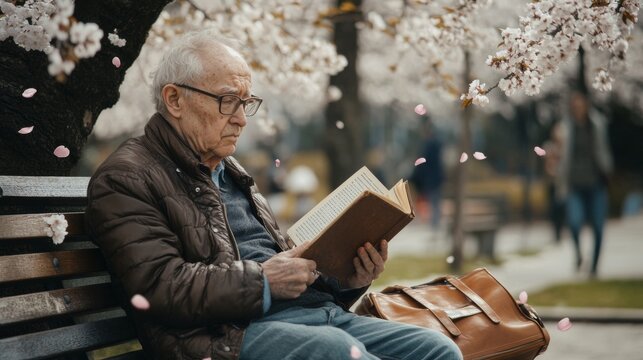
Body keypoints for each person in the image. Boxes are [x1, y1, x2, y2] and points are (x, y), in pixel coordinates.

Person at [85, 30, 462, 360]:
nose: (242, 119)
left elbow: (280, 262)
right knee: (335, 351)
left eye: (246, 103)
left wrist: (348, 278)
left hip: (310, 316)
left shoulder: (232, 171)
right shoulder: (126, 177)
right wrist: (263, 281)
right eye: (228, 100)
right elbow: (159, 288)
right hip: (226, 336)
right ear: (175, 100)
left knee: (439, 349)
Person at [555, 91, 613, 277]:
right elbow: (558, 151)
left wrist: (608, 170)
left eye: (580, 105)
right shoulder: (565, 127)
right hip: (574, 184)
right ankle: (579, 254)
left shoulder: (597, 124)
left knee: (597, 225)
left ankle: (594, 266)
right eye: (575, 106)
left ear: (586, 105)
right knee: (574, 222)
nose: (578, 108)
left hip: (596, 182)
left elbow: (604, 150)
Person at [410, 121, 445, 230]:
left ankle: (434, 225)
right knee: (435, 201)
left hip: (430, 180)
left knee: (433, 201)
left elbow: (424, 164)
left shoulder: (429, 146)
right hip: (435, 179)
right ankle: (435, 225)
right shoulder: (437, 145)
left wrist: (415, 176)